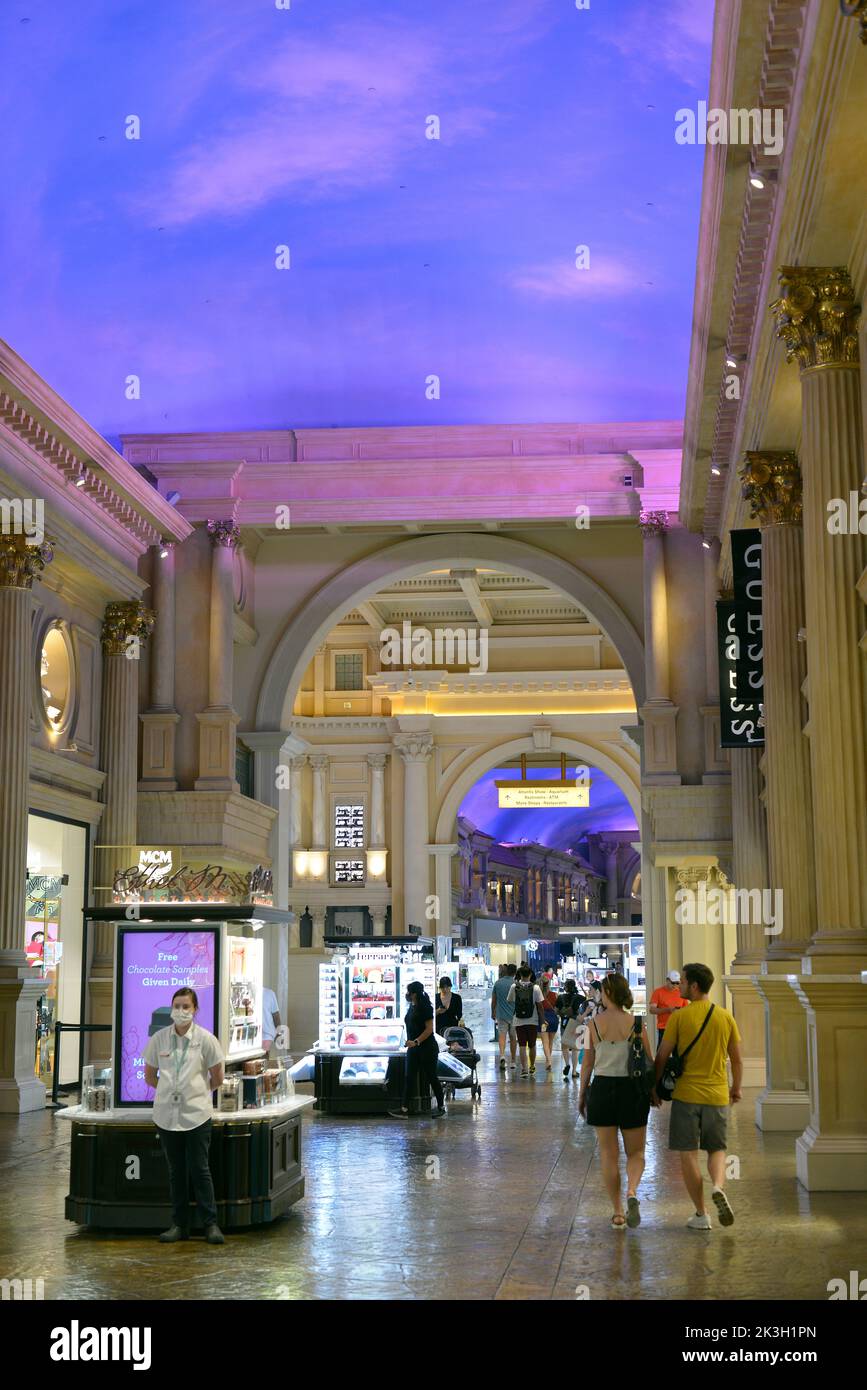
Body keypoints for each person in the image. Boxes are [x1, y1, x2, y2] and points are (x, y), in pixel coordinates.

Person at [655, 962, 742, 1231]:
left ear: (693, 986)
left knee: (688, 1154)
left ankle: (701, 1214)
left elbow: (662, 1056)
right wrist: (736, 1088)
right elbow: (737, 1060)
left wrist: (654, 1087)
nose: (678, 985)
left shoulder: (680, 1017)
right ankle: (717, 1186)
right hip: (716, 1094)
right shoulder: (725, 1016)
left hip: (686, 1095)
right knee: (716, 1148)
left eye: (682, 981)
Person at [143, 986, 226, 1245]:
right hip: (167, 1116)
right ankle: (179, 1225)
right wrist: (170, 1090)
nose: (180, 1011)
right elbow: (149, 1075)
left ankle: (210, 1224)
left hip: (197, 1115)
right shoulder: (159, 1039)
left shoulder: (206, 1040)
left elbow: (217, 1078)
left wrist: (196, 1092)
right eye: (177, 1006)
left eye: (185, 1007)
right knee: (175, 1171)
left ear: (195, 1010)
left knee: (200, 1169)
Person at [578, 974, 658, 1230]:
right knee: (636, 1153)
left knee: (608, 1154)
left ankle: (617, 1213)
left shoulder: (593, 1024)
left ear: (607, 993)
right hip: (632, 1091)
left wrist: (582, 1095)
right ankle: (632, 1191)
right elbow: (648, 1059)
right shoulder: (637, 1023)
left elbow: (587, 1063)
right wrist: (653, 1091)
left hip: (602, 1089)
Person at [390, 981, 445, 1119]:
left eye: (409, 992)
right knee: (409, 1077)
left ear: (414, 994)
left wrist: (416, 1041)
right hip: (413, 1048)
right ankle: (404, 1109)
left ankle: (441, 1106)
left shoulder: (425, 1007)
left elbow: (429, 1029)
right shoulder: (412, 1006)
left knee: (432, 1076)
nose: (407, 995)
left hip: (427, 1048)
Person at [507, 965, 545, 1077]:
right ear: (530, 975)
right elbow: (540, 1006)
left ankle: (524, 1070)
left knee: (522, 1045)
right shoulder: (536, 988)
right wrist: (542, 1020)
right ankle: (532, 1066)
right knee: (532, 1045)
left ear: (520, 975)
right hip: (532, 1020)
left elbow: (509, 1000)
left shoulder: (514, 986)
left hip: (518, 1020)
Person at [649, 969, 688, 1048]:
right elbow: (652, 1010)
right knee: (661, 1053)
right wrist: (668, 1010)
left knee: (677, 1054)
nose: (675, 985)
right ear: (667, 980)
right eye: (673, 983)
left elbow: (686, 1010)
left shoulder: (681, 993)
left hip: (678, 1028)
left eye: (677, 983)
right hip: (664, 1028)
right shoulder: (658, 992)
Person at [491, 963, 518, 1071]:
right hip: (514, 1015)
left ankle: (502, 1055)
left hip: (501, 1014)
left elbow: (494, 1000)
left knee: (502, 1035)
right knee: (513, 1038)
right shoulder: (516, 984)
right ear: (515, 973)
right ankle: (513, 1061)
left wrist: (492, 1012)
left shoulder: (498, 983)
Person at [557, 978, 585, 1079]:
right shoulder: (579, 997)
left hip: (565, 1022)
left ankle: (567, 1064)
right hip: (576, 1023)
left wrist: (562, 1014)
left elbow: (556, 1010)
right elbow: (588, 1000)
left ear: (565, 987)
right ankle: (574, 1072)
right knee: (575, 1048)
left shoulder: (560, 997)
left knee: (564, 1046)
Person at [539, 976, 560, 1074]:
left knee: (545, 1042)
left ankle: (549, 1060)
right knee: (550, 1041)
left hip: (543, 1019)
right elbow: (556, 1009)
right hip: (553, 1019)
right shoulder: (554, 995)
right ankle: (548, 1060)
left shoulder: (538, 995)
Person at [261, 985, 282, 1059]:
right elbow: (276, 1015)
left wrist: (279, 1033)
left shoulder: (269, 993)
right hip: (265, 1033)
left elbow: (276, 1014)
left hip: (267, 1034)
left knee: (263, 1059)